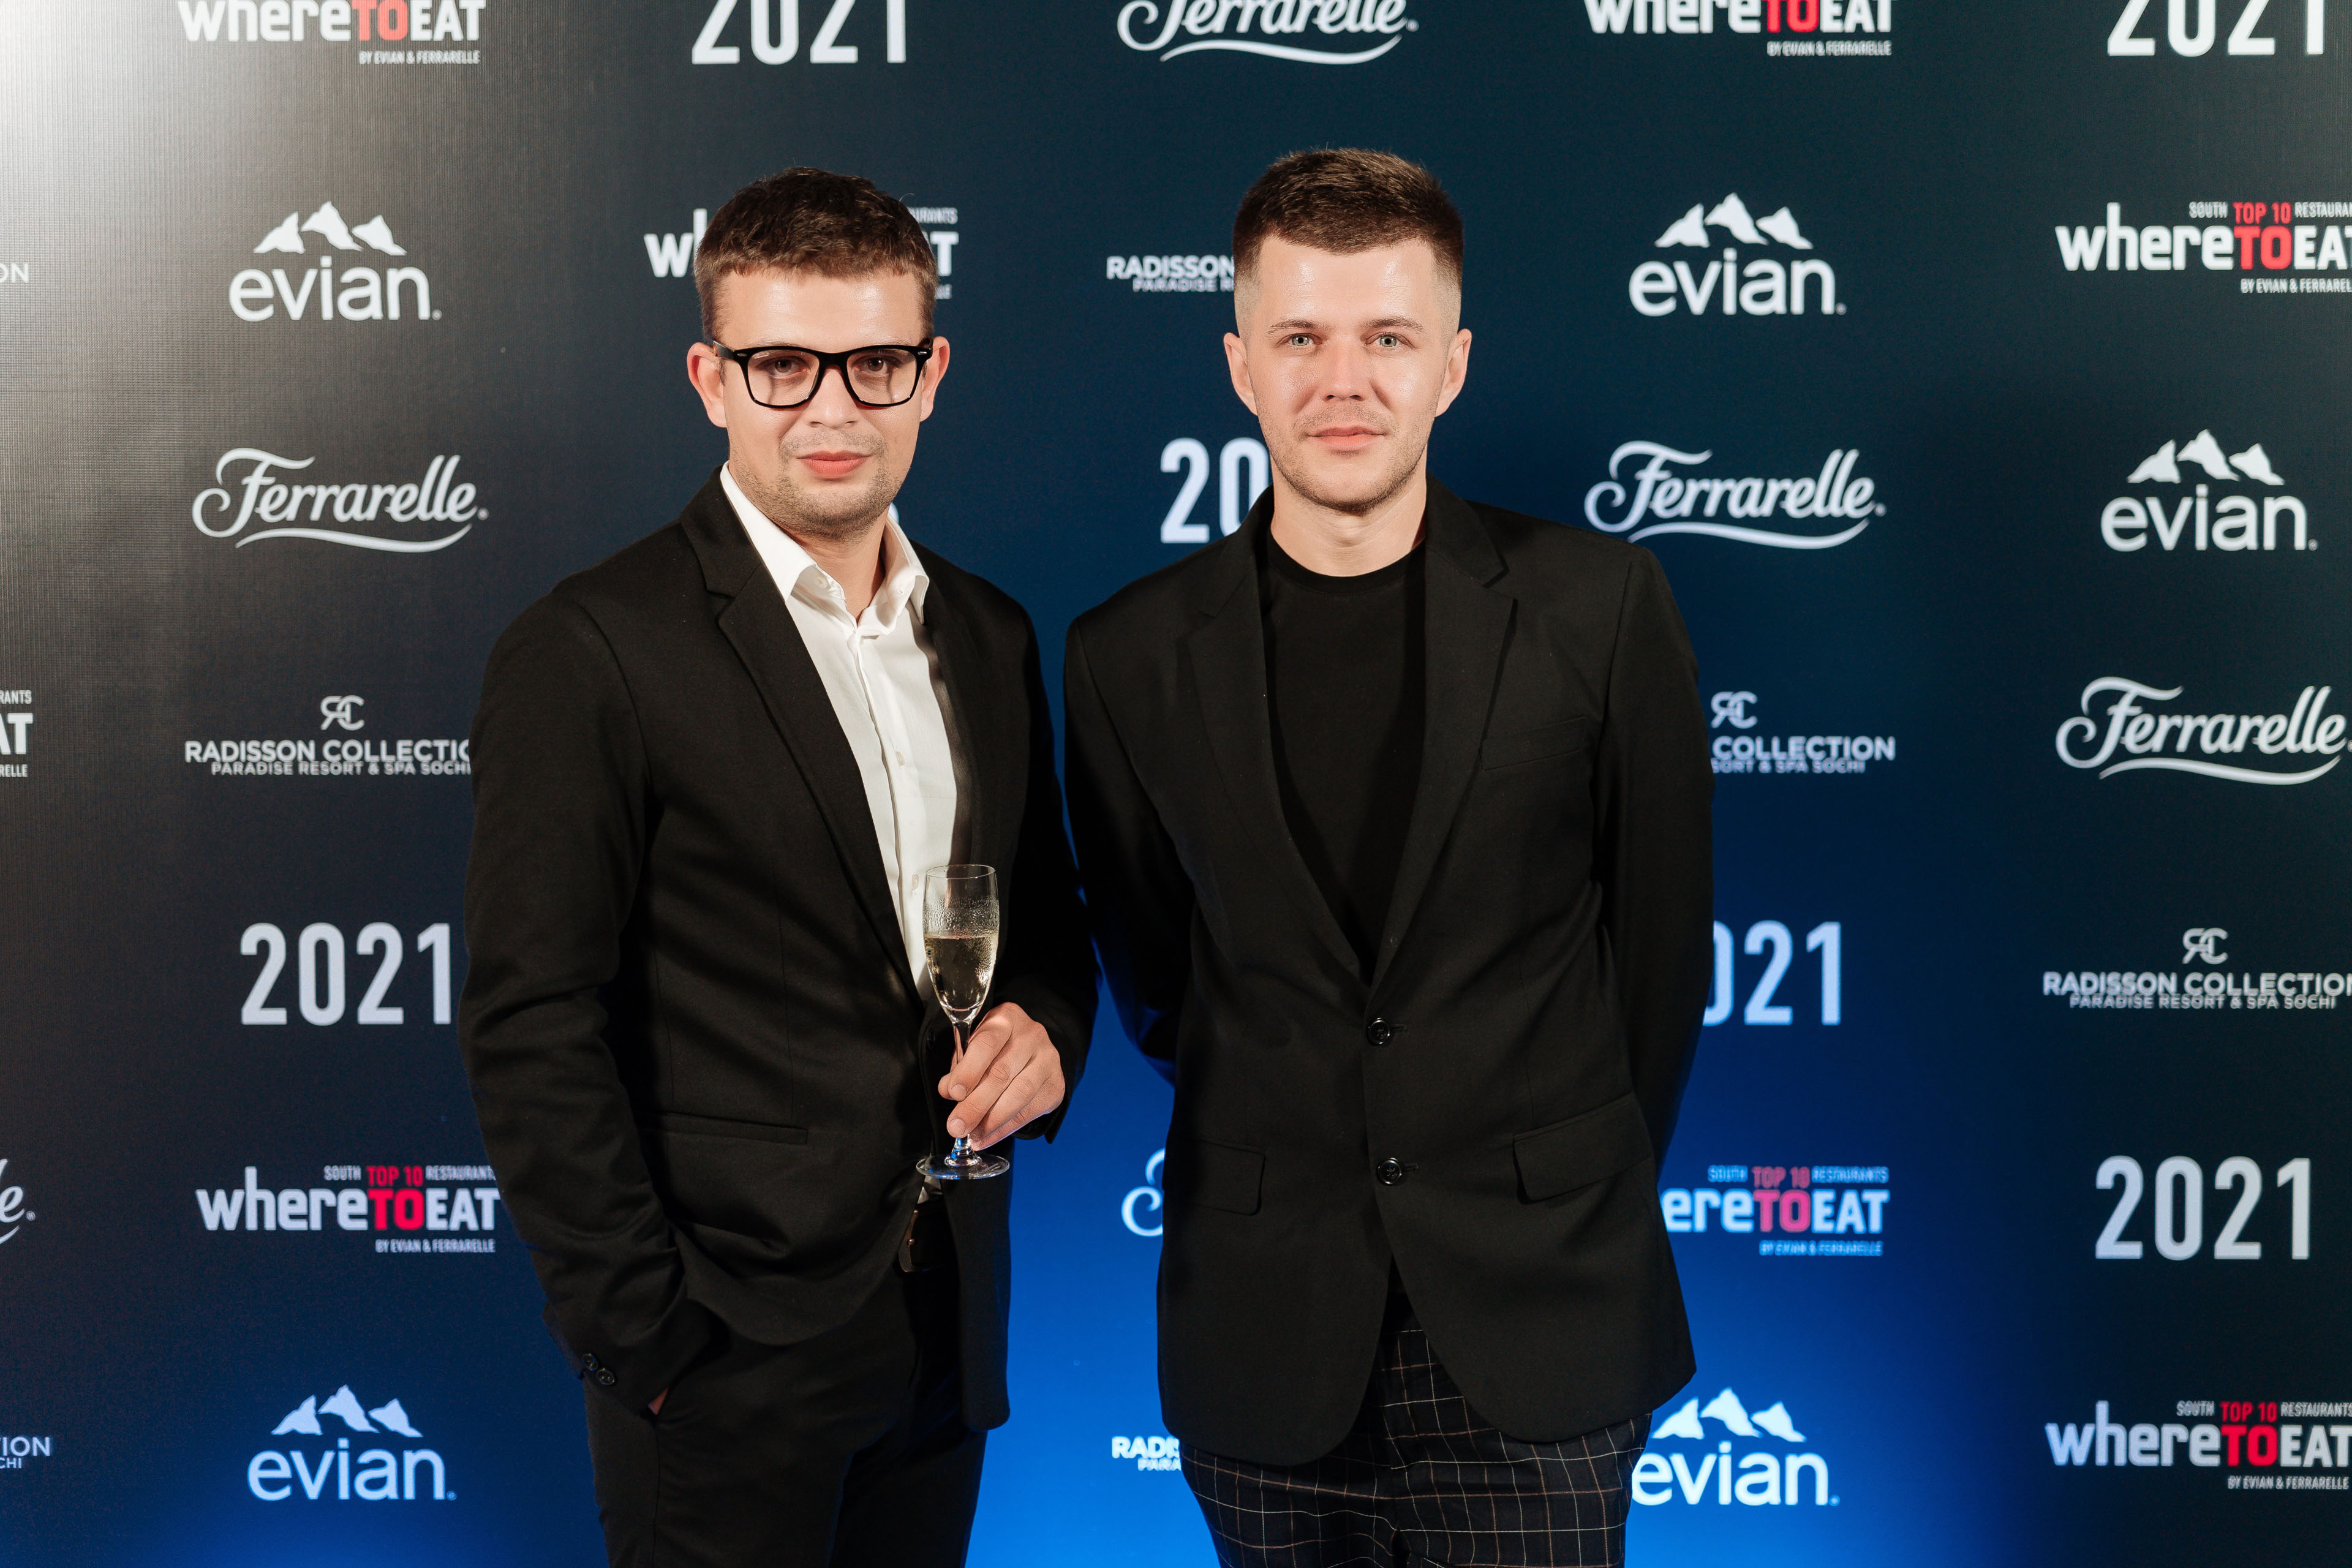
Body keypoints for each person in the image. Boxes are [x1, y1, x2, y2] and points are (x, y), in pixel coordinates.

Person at [1063, 149, 1713, 1568]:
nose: (1342, 381)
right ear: (1240, 363)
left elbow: (1661, 963)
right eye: (1300, 337)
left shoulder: (1599, 608)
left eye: (1388, 339)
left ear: (1452, 365)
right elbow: (1160, 980)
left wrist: (1553, 1187)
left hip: (1542, 1327)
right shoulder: (1128, 655)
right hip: (1265, 1346)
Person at [458, 167, 1096, 1568]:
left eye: (874, 364)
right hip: (720, 1355)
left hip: (945, 1328)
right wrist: (647, 1339)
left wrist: (1048, 1029)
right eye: (783, 365)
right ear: (712, 379)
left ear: (931, 374)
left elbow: (1045, 920)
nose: (832, 408)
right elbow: (530, 1018)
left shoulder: (987, 630)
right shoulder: (593, 647)